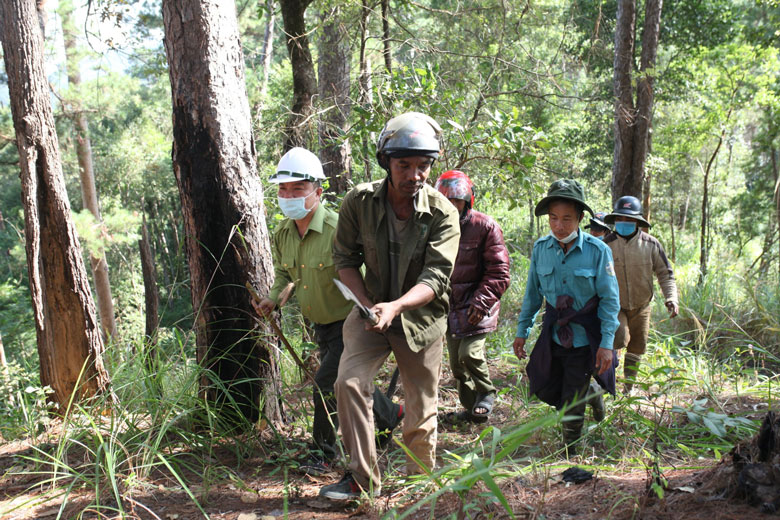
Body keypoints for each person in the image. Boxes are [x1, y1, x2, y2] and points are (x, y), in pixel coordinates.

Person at [319, 112, 460, 500]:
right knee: (348, 382)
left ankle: (418, 491)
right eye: (404, 165)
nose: (414, 174)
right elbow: (345, 260)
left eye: (423, 165)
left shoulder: (444, 214)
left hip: (421, 321)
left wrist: (395, 307)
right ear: (386, 162)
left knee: (420, 407)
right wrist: (367, 306)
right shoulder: (359, 202)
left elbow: (435, 278)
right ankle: (362, 481)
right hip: (369, 317)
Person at [253, 147, 403, 476]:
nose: (288, 195)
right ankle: (390, 415)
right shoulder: (283, 234)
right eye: (283, 188)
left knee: (325, 382)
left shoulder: (339, 228)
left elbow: (372, 266)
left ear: (317, 192)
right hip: (320, 325)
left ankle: (322, 453)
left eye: (297, 188)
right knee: (342, 380)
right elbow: (284, 274)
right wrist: (273, 298)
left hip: (350, 323)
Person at [512, 179, 620, 456]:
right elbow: (533, 295)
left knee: (571, 399)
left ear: (581, 218)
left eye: (567, 219)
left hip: (585, 337)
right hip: (554, 335)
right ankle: (591, 392)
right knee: (549, 386)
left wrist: (607, 343)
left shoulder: (598, 252)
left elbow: (610, 301)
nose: (559, 226)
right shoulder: (541, 249)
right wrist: (522, 330)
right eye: (553, 218)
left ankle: (572, 451)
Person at [434, 170, 511, 425]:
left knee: (470, 354)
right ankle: (471, 411)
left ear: (467, 201)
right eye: (446, 201)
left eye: (457, 201)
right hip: (450, 308)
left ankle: (487, 392)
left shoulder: (485, 226)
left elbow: (499, 271)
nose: (452, 207)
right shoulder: (434, 228)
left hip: (478, 306)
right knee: (457, 367)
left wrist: (481, 301)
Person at [603, 196, 679, 393]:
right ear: (615, 220)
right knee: (618, 337)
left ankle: (629, 387)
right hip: (614, 305)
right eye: (621, 219)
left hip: (642, 304)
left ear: (637, 221)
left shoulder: (651, 245)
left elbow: (666, 273)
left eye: (629, 220)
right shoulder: (606, 245)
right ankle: (606, 379)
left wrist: (671, 297)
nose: (625, 223)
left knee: (638, 345)